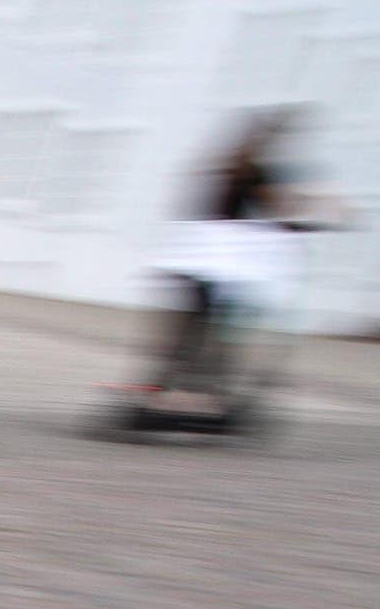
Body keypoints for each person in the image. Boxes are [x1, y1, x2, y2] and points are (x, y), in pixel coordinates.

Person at [147, 108, 343, 413]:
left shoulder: (225, 165)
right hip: (226, 265)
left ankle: (161, 390)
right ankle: (206, 395)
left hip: (196, 260)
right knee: (220, 333)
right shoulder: (254, 172)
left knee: (192, 330)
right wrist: (311, 222)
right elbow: (279, 213)